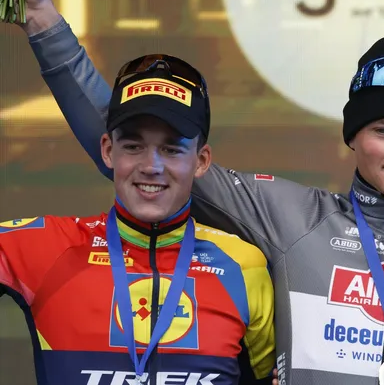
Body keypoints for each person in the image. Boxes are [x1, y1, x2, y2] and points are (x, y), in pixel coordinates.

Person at [10, 0, 384, 383]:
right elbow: (143, 152)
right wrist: (43, 20)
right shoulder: (288, 218)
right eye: (383, 130)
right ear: (353, 137)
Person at [0, 51, 276, 384]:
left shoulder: (243, 266)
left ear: (201, 161)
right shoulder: (45, 247)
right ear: (108, 150)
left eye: (171, 149)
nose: (151, 166)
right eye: (133, 146)